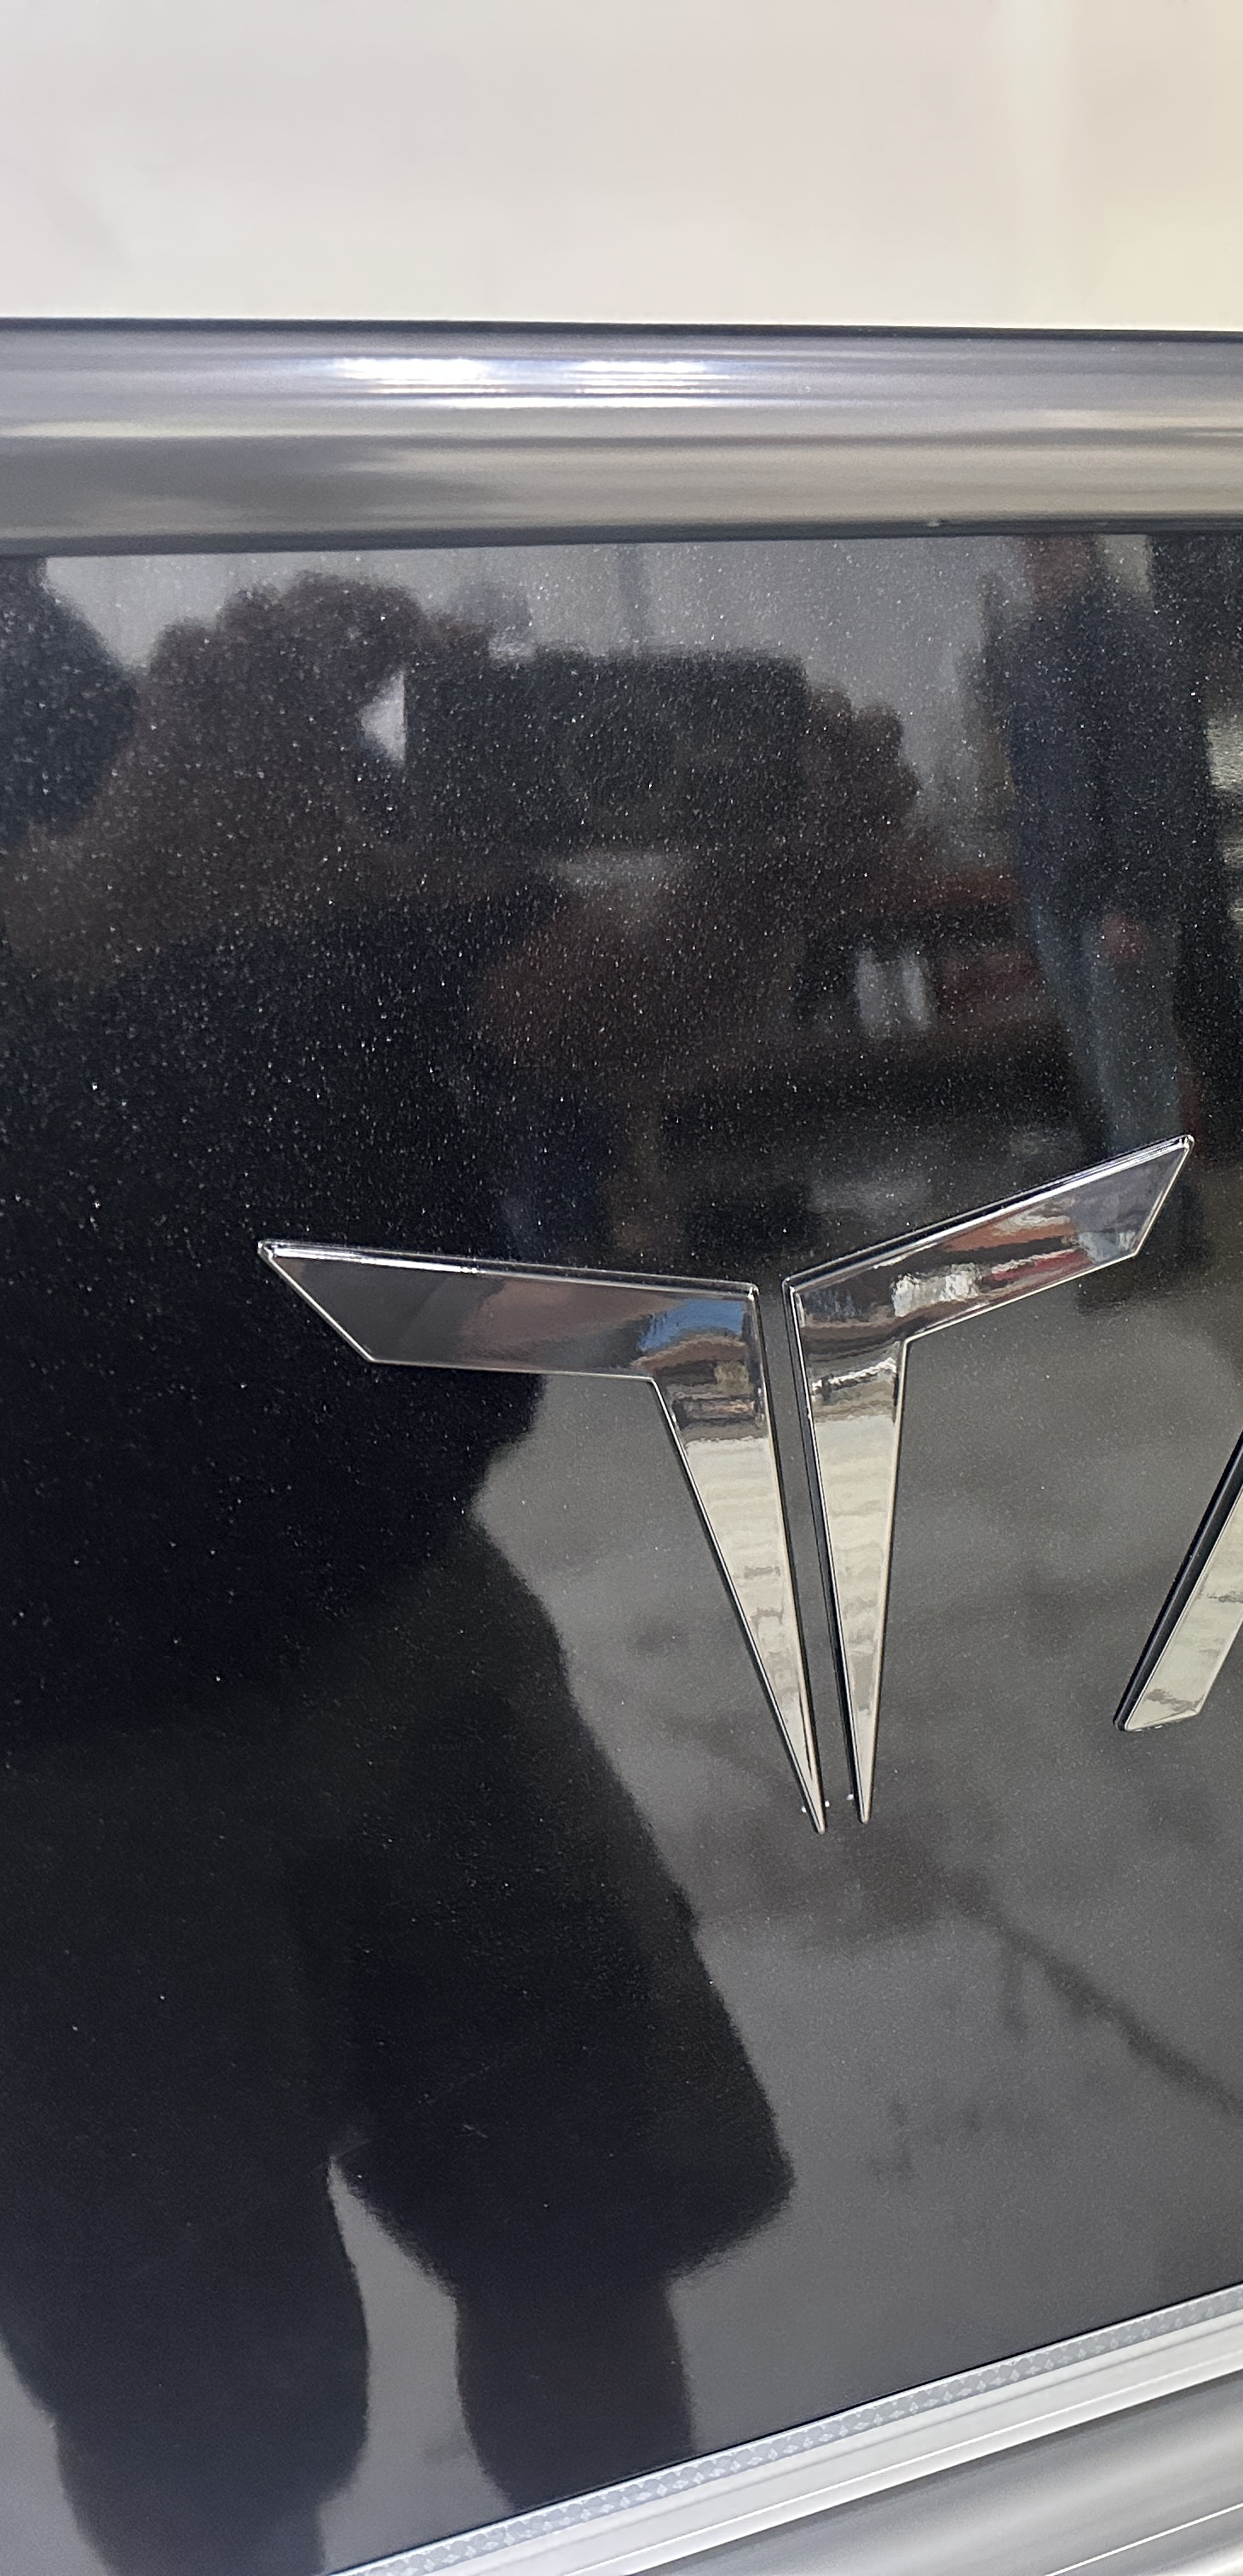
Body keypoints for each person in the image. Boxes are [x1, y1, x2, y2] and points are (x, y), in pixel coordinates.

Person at [0, 575, 814, 2576]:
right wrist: (88, 907)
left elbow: (595, 1012)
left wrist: (773, 879)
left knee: (586, 2236)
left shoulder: (109, 679)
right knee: (195, 2423)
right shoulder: (146, 736)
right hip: (54, 1761)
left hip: (404, 1613)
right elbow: (97, 919)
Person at [993, 536, 1217, 1268]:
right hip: (1061, 893)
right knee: (1108, 1075)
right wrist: (1035, 891)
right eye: (1025, 548)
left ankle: (1153, 1248)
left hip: (1117, 899)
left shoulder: (1126, 635)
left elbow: (1152, 776)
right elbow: (1032, 776)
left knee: (1135, 1076)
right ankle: (1157, 1234)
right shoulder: (1034, 645)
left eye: (1045, 545)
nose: (1032, 561)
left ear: (1080, 544)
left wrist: (1136, 900)